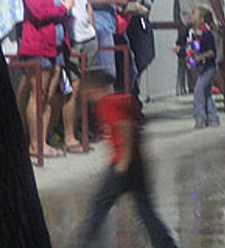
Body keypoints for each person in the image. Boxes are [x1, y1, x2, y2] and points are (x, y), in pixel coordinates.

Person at [75, 68, 178, 247]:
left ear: (94, 88)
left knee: (98, 207)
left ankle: (83, 244)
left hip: (121, 164)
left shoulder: (108, 104)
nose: (85, 95)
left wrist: (123, 160)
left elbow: (126, 127)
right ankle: (165, 244)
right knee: (146, 209)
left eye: (85, 90)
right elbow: (140, 123)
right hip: (138, 163)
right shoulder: (125, 100)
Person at [18, 0, 73, 158]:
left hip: (56, 47)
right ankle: (34, 143)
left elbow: (59, 9)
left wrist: (64, 9)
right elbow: (39, 12)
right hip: (39, 46)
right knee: (37, 94)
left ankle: (43, 141)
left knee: (49, 95)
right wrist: (63, 8)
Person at [54, 0, 97, 153]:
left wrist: (91, 26)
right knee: (72, 87)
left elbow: (87, 1)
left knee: (82, 87)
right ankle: (69, 135)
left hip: (86, 35)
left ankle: (76, 130)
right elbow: (63, 6)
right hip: (73, 38)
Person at [175, 4, 220, 129]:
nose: (190, 15)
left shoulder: (206, 34)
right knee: (207, 94)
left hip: (209, 68)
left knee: (198, 91)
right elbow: (190, 48)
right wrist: (181, 50)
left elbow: (211, 52)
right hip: (201, 68)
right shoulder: (192, 33)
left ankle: (200, 116)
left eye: (194, 13)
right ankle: (213, 117)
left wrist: (200, 57)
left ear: (201, 20)